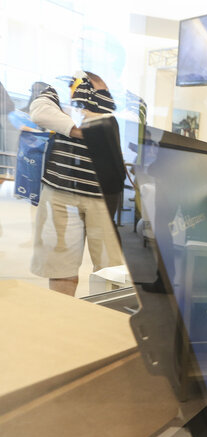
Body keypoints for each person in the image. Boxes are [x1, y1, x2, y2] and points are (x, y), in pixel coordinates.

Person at [29, 71, 123, 296]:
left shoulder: (121, 91)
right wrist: (81, 128)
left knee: (111, 273)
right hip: (60, 190)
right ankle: (63, 324)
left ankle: (102, 325)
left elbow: (126, 128)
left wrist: (71, 115)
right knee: (62, 271)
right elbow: (40, 111)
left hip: (105, 195)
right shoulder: (68, 83)